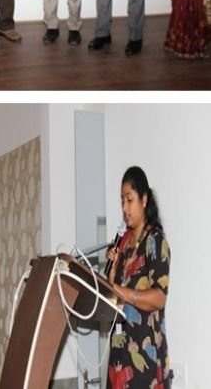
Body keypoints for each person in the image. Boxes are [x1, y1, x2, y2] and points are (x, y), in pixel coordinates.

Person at [105, 166, 172, 387]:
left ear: (144, 199)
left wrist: (124, 293)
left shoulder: (155, 241)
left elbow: (159, 297)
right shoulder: (123, 244)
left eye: (129, 200)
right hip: (120, 355)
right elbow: (112, 293)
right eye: (121, 201)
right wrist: (113, 271)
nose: (124, 208)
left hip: (146, 360)